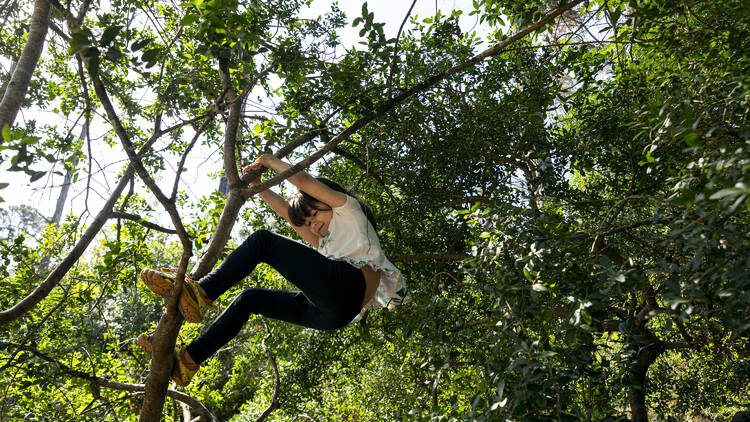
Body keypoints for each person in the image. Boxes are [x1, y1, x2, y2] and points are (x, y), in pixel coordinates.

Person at [138, 153, 404, 386]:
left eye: (315, 214)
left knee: (263, 240)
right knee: (249, 299)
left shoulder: (348, 210)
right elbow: (289, 216)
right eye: (309, 223)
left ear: (329, 200)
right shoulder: (326, 240)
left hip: (347, 289)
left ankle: (202, 292)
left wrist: (269, 161)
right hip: (329, 315)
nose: (313, 225)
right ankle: (187, 361)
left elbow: (305, 183)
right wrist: (258, 185)